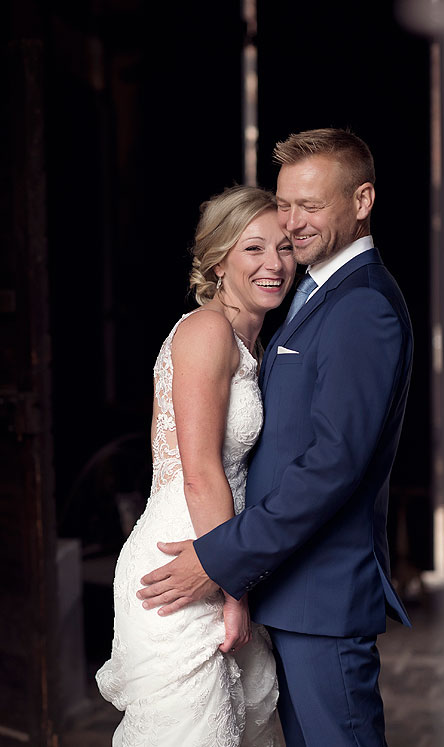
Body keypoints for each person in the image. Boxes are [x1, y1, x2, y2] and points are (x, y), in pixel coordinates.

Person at [136, 128, 413, 747]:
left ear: (363, 201)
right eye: (285, 205)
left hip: (319, 593)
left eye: (309, 207)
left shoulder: (360, 305)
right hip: (279, 581)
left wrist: (223, 559)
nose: (292, 226)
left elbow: (330, 467)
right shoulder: (308, 299)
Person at [96, 185, 296, 745]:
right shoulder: (207, 330)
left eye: (283, 248)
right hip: (183, 563)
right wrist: (234, 589)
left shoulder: (254, 343)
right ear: (218, 261)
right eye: (253, 249)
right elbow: (201, 471)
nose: (274, 264)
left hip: (221, 550)